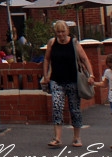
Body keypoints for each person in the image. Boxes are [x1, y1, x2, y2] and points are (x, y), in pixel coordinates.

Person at [40, 20, 94, 148]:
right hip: (56, 80)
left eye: (63, 31)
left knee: (74, 109)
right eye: (58, 32)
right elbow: (47, 59)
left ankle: (76, 137)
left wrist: (91, 75)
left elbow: (84, 59)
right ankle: (57, 138)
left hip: (73, 81)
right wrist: (46, 75)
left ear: (67, 31)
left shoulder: (74, 43)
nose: (61, 34)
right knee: (56, 107)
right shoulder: (52, 43)